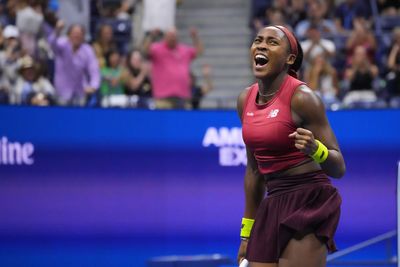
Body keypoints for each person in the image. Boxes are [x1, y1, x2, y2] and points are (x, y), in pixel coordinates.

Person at [236, 25, 346, 267]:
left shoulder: (303, 98)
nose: (262, 45)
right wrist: (246, 233)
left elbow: (338, 168)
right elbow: (254, 172)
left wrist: (316, 150)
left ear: (290, 58)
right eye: (258, 40)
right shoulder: (245, 100)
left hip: (308, 200)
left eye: (272, 42)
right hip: (273, 201)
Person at [143, 27, 203, 109]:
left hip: (182, 96)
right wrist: (151, 36)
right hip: (163, 98)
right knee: (164, 121)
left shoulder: (184, 50)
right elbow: (144, 51)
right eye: (170, 35)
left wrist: (195, 38)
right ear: (165, 37)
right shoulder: (156, 48)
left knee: (183, 120)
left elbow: (199, 51)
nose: (173, 38)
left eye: (174, 36)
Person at [48, 20, 100, 106]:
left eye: (79, 34)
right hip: (62, 93)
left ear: (83, 36)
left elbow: (94, 70)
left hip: (80, 93)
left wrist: (93, 86)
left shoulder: (87, 50)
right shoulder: (62, 43)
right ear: (69, 35)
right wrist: (57, 30)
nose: (77, 36)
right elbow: (52, 43)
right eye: (74, 33)